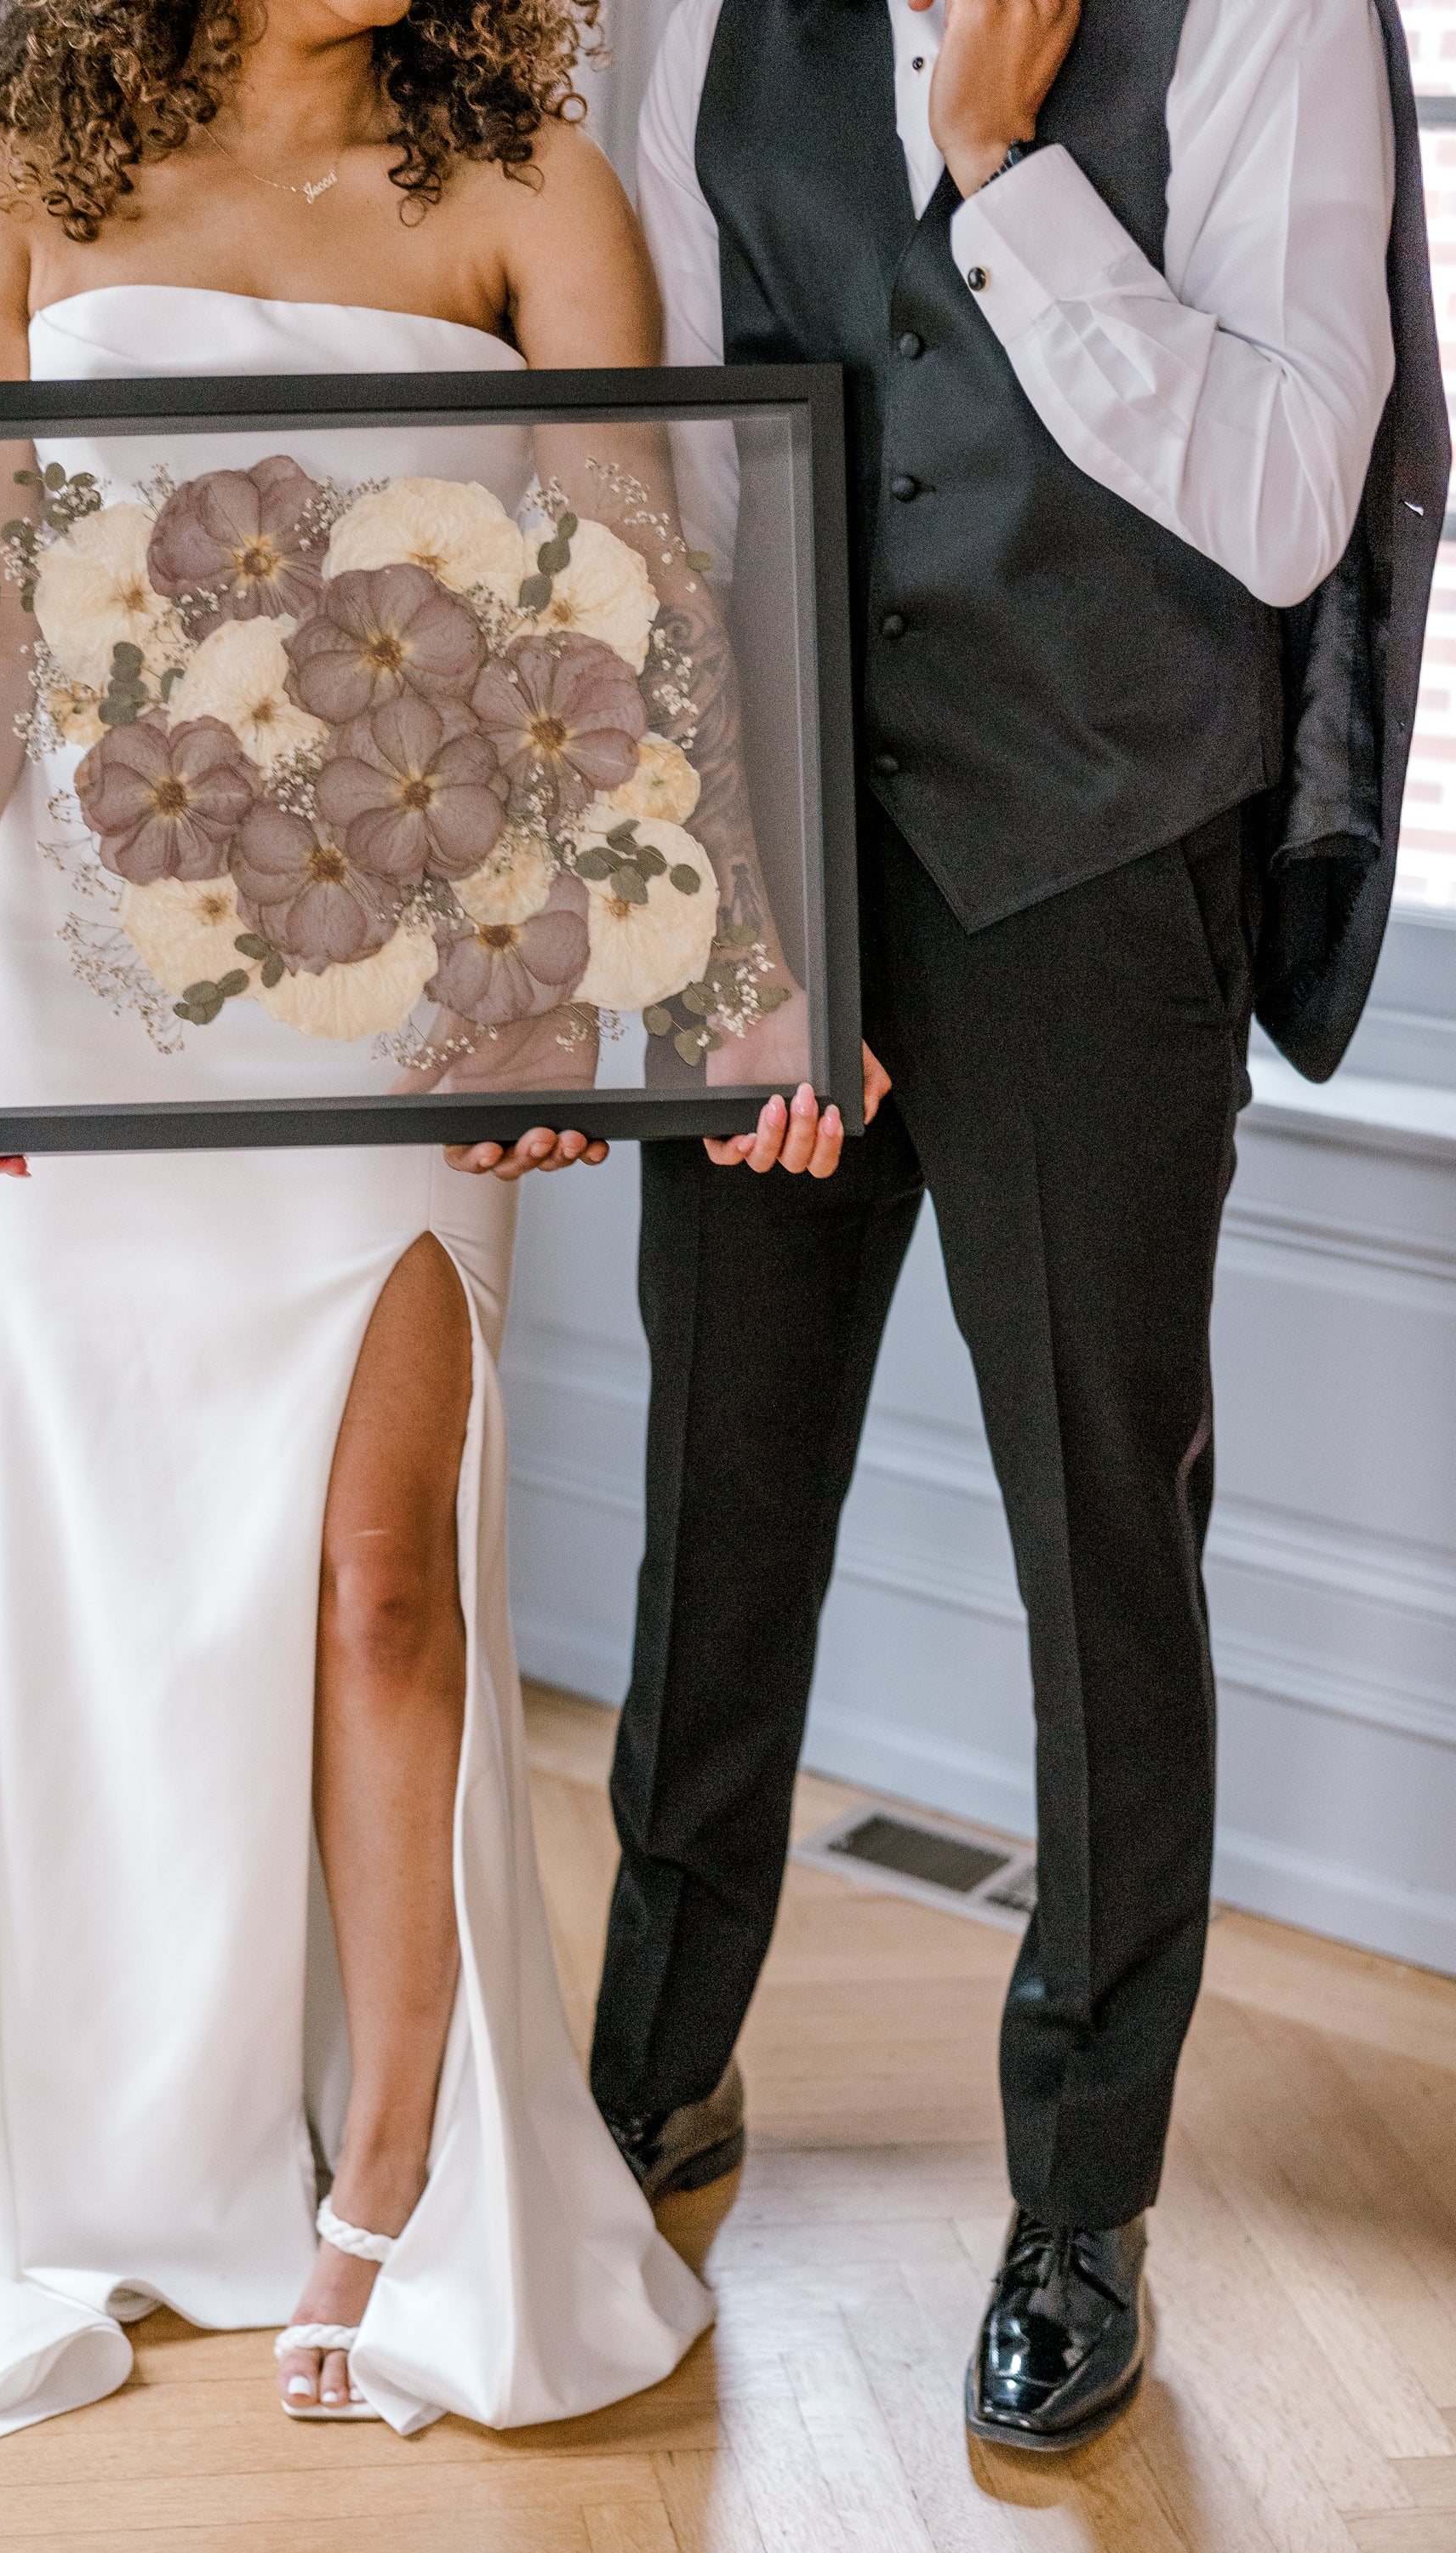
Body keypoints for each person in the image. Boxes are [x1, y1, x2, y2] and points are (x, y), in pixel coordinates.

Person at [0, 0, 717, 2516]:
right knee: (117, 1567)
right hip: (93, 983)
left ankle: (392, 2166)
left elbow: (634, 607)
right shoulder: (11, 188)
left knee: (385, 1580)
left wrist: (620, 989)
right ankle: (118, 2097)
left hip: (414, 991)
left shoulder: (534, 181)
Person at [588, 0, 1446, 2456]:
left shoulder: (1263, 9)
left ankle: (1085, 2193)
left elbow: (1295, 493)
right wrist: (737, 904)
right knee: (713, 1505)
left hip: (1091, 870)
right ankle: (647, 2075)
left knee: (1105, 1531)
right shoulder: (691, 16)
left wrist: (1001, 167)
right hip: (764, 868)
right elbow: (660, 463)